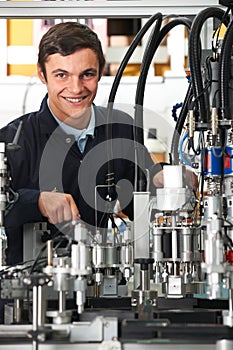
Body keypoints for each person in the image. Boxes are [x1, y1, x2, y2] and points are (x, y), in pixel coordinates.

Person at [0, 22, 197, 267]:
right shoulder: (14, 139)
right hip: (30, 289)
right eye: (61, 75)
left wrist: (164, 179)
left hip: (101, 282)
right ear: (42, 74)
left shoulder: (120, 128)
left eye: (87, 74)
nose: (76, 88)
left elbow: (139, 193)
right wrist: (37, 202)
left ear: (101, 70)